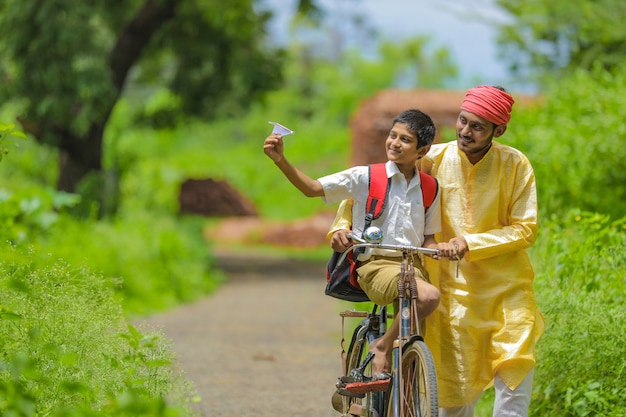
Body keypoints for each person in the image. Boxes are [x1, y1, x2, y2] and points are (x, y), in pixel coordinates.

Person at [328, 86, 545, 417]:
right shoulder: (431, 159)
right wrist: (341, 226)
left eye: (478, 126)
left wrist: (469, 242)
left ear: (498, 131)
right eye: (463, 121)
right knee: (452, 389)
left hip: (506, 290)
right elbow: (373, 188)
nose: (465, 131)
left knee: (515, 370)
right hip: (446, 290)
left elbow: (525, 228)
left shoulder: (515, 165)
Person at [264, 109, 456, 381]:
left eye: (405, 140)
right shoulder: (365, 177)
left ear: (422, 150)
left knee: (412, 355)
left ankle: (399, 396)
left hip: (413, 267)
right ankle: (382, 346)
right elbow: (312, 188)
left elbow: (428, 239)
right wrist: (280, 160)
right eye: (393, 136)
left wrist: (441, 248)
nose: (394, 143)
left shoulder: (430, 188)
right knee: (427, 297)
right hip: (375, 265)